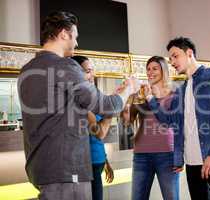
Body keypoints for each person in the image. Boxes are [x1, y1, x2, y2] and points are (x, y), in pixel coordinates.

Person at [17, 11, 136, 200]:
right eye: (75, 36)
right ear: (64, 34)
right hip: (66, 169)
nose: (77, 43)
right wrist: (128, 90)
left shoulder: (27, 70)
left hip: (41, 169)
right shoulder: (64, 66)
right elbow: (106, 106)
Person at [145, 37, 210, 200]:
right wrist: (150, 98)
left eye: (175, 56)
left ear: (189, 53)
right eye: (170, 58)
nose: (172, 62)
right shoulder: (182, 90)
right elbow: (169, 121)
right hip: (192, 163)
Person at [129, 56, 180, 200]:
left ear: (164, 70)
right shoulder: (142, 94)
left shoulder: (174, 94)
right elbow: (128, 119)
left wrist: (151, 98)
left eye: (154, 68)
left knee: (171, 197)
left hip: (167, 154)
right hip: (141, 155)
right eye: (148, 69)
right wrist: (129, 95)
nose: (150, 72)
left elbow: (169, 122)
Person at [71, 55, 114, 200]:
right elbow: (99, 133)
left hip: (97, 160)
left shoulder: (92, 99)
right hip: (86, 164)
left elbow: (97, 139)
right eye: (88, 71)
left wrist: (106, 161)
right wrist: (112, 110)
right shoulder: (80, 102)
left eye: (92, 71)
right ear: (76, 73)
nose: (92, 75)